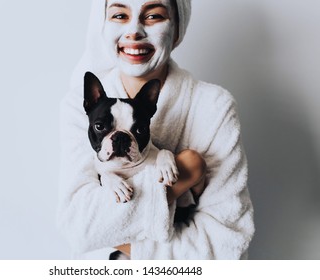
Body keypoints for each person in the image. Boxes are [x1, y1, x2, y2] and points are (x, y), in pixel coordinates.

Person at [58, 0, 254, 259]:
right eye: (119, 15)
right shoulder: (77, 105)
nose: (134, 30)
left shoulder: (213, 106)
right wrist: (183, 177)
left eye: (153, 15)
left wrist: (121, 239)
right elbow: (78, 228)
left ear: (178, 29)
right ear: (102, 26)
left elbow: (227, 243)